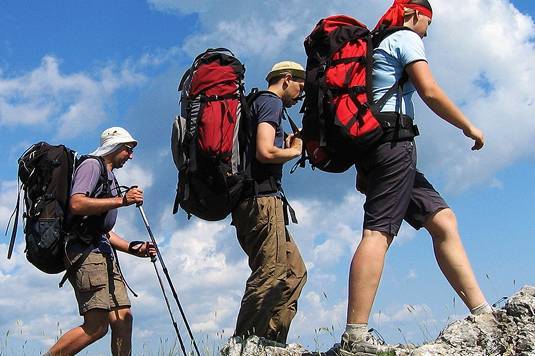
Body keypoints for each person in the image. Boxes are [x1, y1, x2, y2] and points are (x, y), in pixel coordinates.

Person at [340, 1, 493, 354]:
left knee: (443, 220)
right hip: (394, 144)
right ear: (413, 14)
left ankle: (482, 313)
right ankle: (355, 335)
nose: (426, 31)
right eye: (427, 23)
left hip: (378, 147)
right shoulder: (404, 36)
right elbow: (430, 90)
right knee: (378, 232)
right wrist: (468, 126)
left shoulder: (375, 44)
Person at [47, 127, 156, 356]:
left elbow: (102, 231)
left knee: (123, 319)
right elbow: (77, 204)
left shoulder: (110, 177)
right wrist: (122, 200)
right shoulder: (91, 165)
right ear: (114, 146)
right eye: (128, 149)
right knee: (96, 326)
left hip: (101, 250)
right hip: (86, 253)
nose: (131, 155)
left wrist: (134, 249)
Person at [231, 61, 308, 344]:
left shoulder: (256, 103)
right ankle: (245, 344)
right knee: (271, 272)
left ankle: (271, 342)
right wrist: (295, 150)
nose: (302, 93)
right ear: (286, 79)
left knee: (294, 272)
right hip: (262, 200)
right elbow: (265, 151)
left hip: (254, 200)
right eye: (301, 85)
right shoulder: (270, 103)